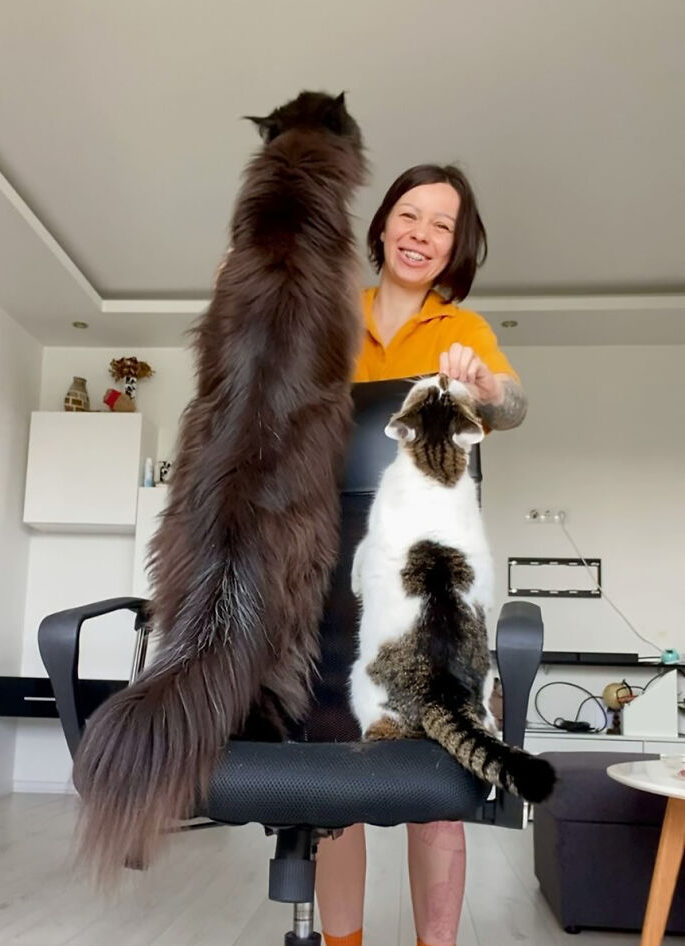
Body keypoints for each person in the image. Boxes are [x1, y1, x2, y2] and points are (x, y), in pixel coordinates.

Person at [315, 164, 527, 946]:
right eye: (410, 214)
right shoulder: (333, 314)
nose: (421, 233)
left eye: (441, 223)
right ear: (382, 227)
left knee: (435, 779)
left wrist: (488, 387)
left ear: (455, 245)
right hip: (329, 578)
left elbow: (515, 405)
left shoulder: (461, 331)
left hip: (424, 585)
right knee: (336, 787)